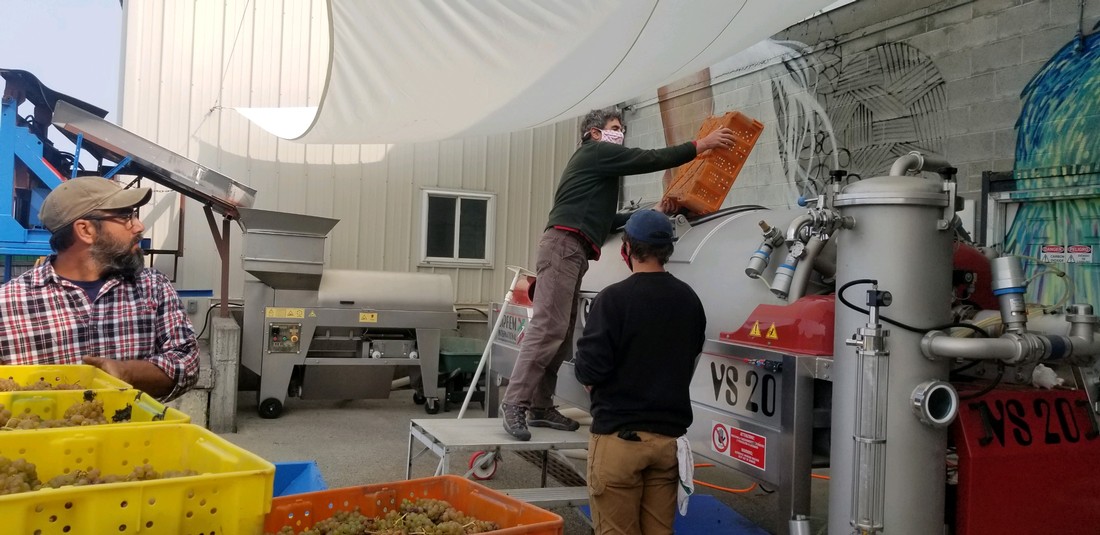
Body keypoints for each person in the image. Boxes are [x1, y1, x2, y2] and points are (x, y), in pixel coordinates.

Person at [500, 107, 732, 441]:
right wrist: (702, 144)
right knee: (548, 327)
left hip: (573, 251)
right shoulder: (596, 152)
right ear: (594, 133)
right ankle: (515, 404)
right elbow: (647, 158)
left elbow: (606, 223)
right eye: (613, 127)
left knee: (562, 334)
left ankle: (539, 407)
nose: (619, 132)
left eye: (621, 128)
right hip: (563, 247)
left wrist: (652, 210)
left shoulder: (599, 177)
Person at [0, 177, 199, 401]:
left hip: (135, 435)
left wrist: (127, 373)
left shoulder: (152, 287)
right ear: (85, 230)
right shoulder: (8, 303)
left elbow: (187, 363)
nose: (139, 226)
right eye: (126, 216)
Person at [574, 209, 706, 535]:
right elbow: (689, 358)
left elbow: (589, 369)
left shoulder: (613, 300)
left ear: (627, 248)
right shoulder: (690, 301)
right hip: (668, 444)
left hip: (620, 441)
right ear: (669, 250)